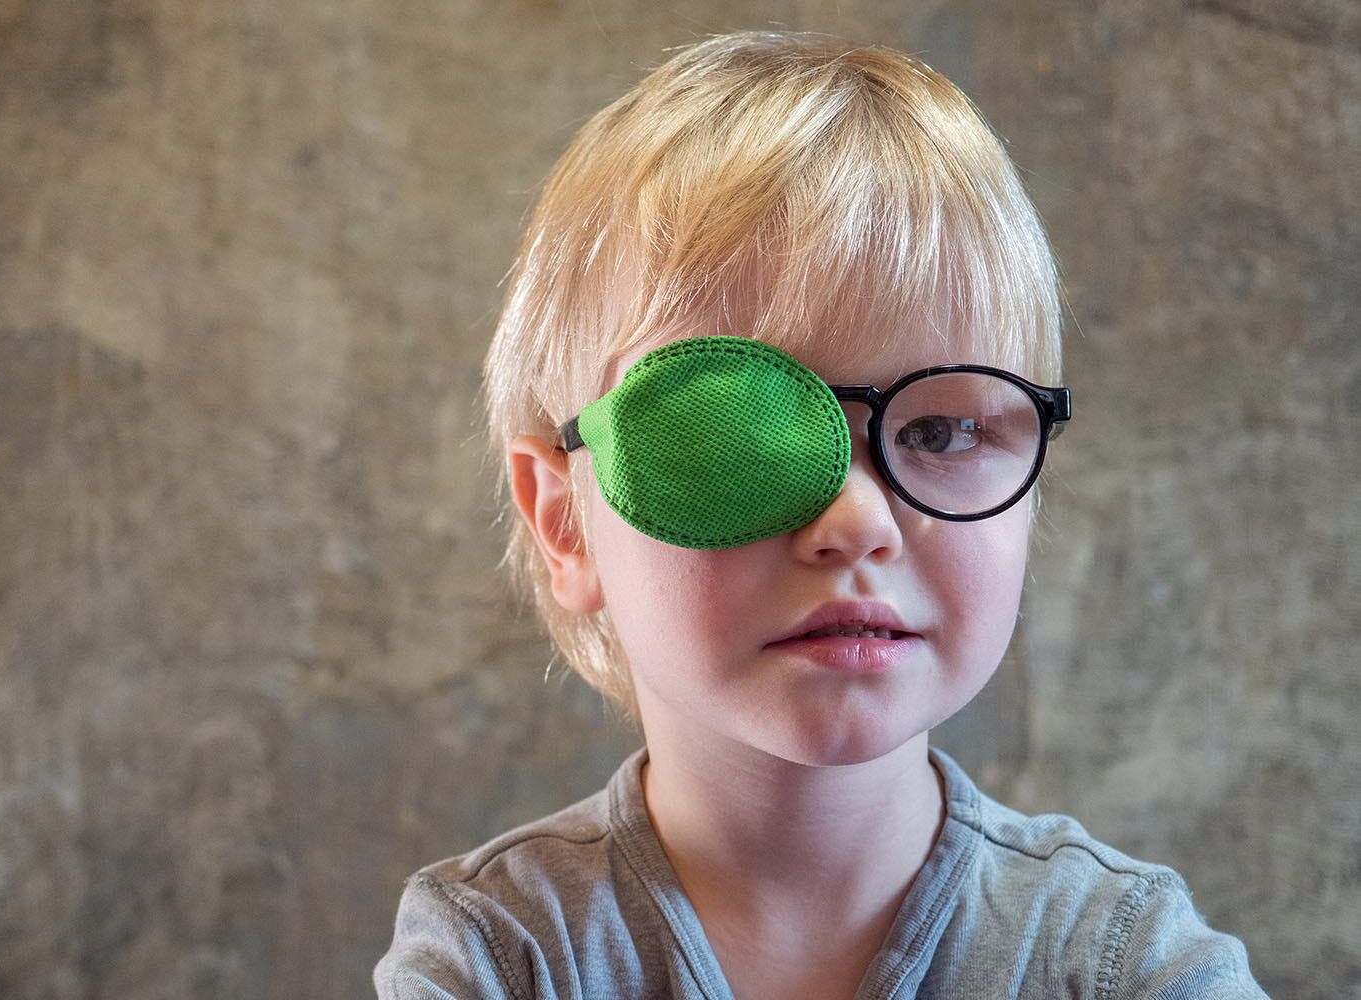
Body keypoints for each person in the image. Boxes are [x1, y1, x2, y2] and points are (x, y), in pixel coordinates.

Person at [374, 30, 1268, 999]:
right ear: (564, 523)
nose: (857, 519)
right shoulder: (499, 957)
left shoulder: (1124, 963)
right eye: (731, 436)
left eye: (939, 433)